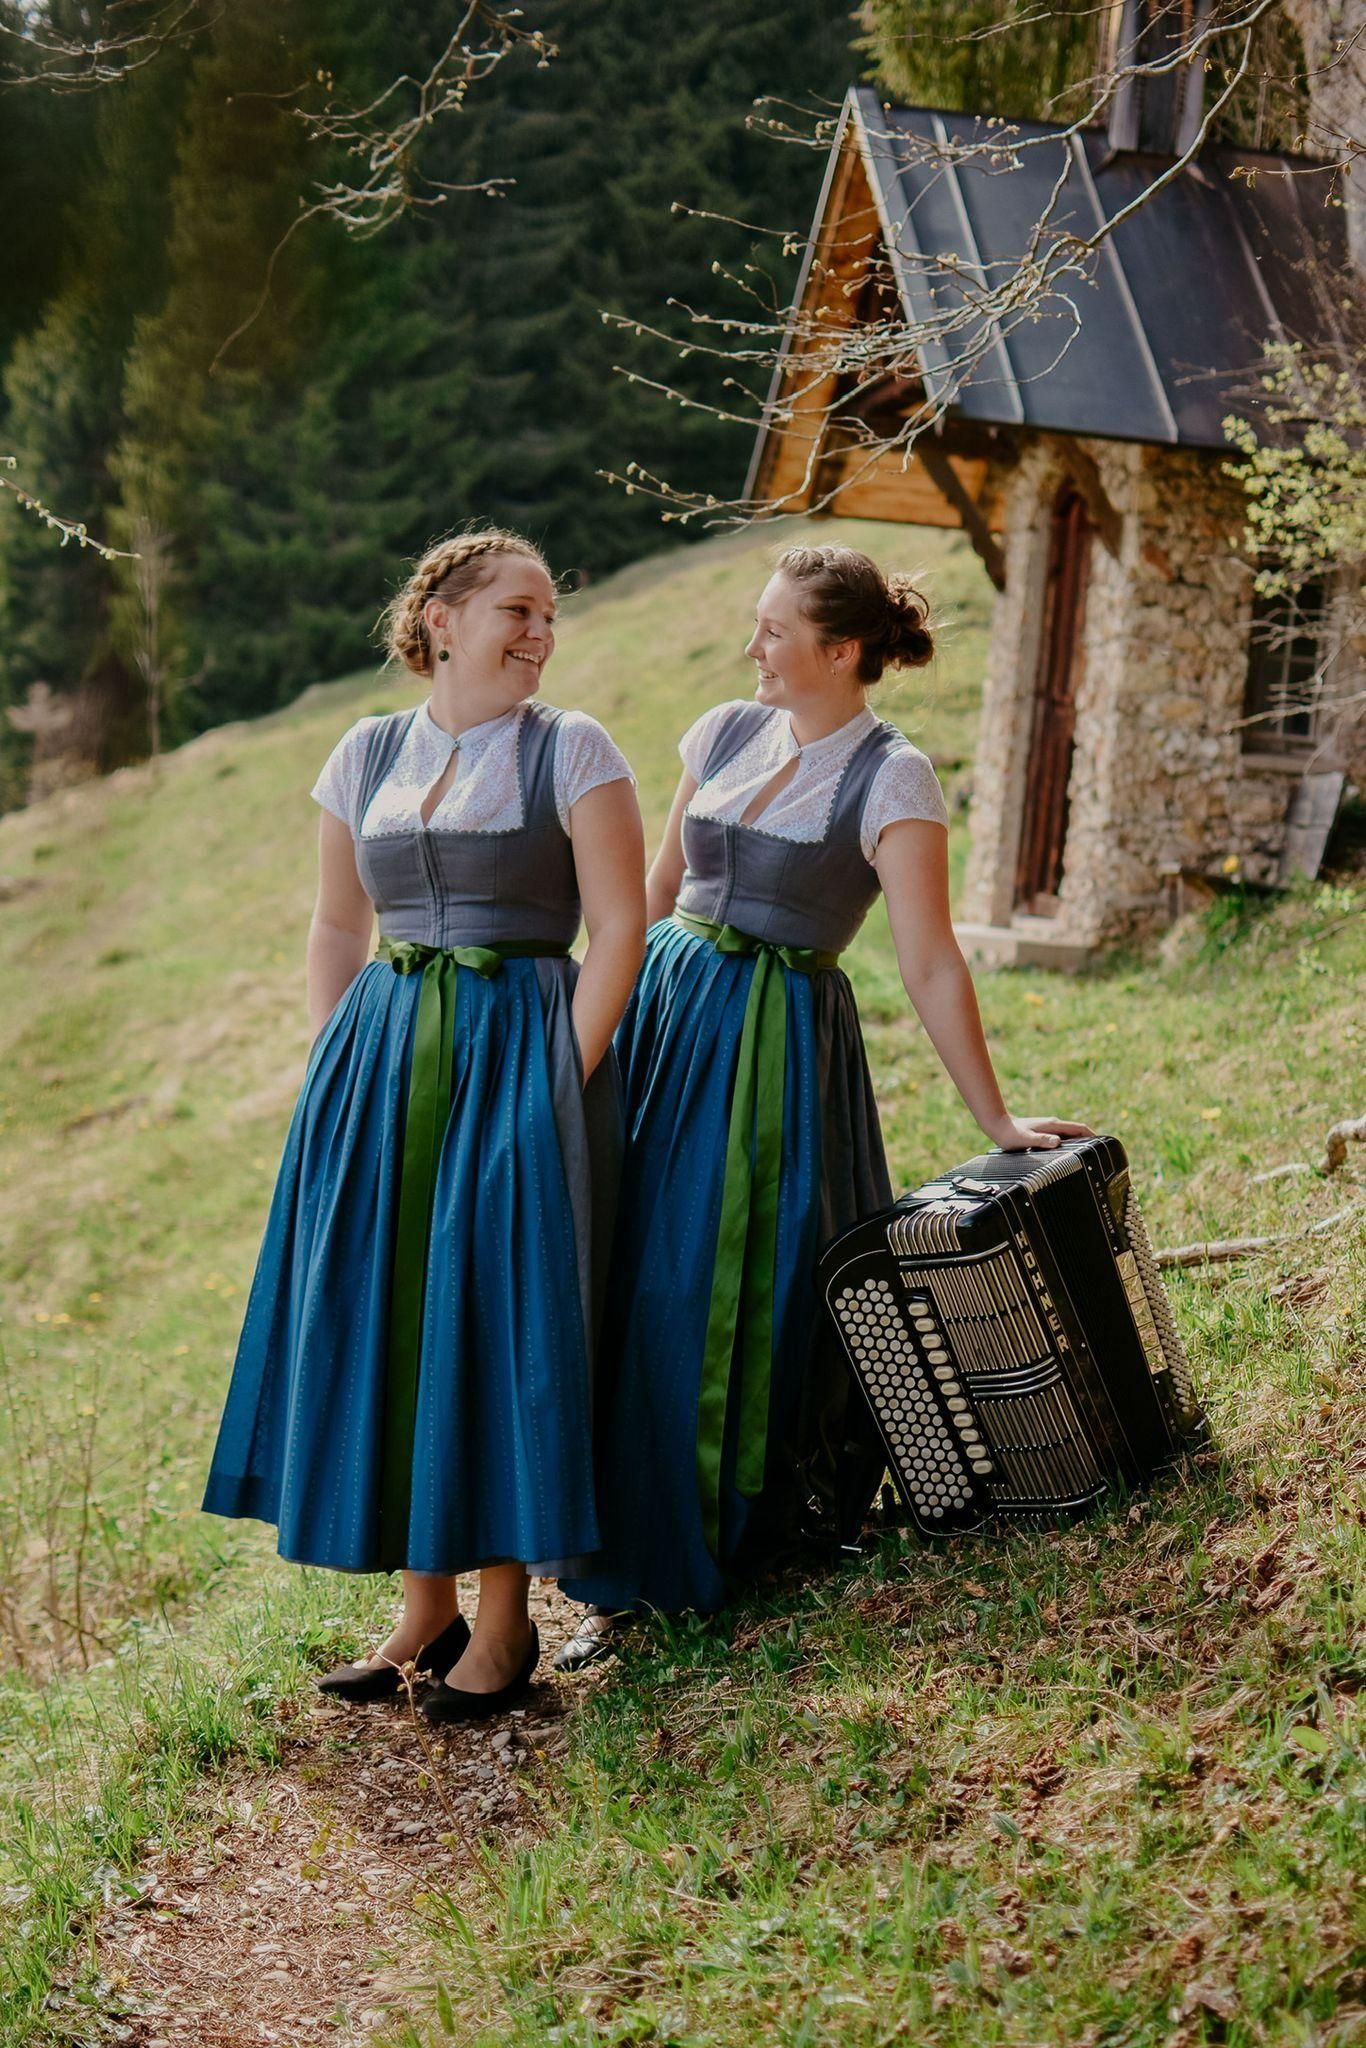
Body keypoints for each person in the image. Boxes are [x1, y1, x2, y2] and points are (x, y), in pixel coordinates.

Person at [556, 542, 1091, 1655]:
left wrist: (995, 1119)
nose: (750, 646)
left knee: (705, 1290)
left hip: (768, 1053)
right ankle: (602, 1549)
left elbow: (930, 960)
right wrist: (589, 1045)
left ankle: (692, 1552)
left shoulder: (892, 775)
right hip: (663, 1018)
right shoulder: (721, 730)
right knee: (617, 1266)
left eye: (772, 631)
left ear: (839, 652)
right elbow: (655, 896)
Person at [203, 529, 646, 1721]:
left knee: (499, 1318)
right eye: (517, 609)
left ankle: (506, 1621)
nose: (540, 633)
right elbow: (336, 924)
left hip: (521, 1051)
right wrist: (335, 1057)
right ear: (440, 619)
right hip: (384, 1060)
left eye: (550, 613)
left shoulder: (574, 749)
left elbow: (617, 931)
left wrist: (559, 1074)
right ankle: (424, 1605)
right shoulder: (366, 751)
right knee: (399, 1311)